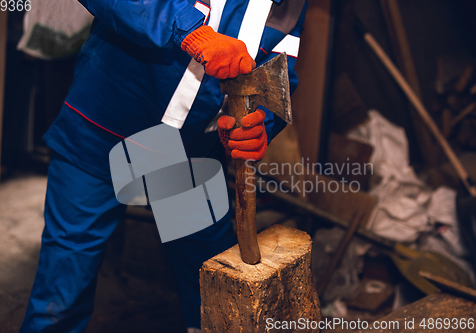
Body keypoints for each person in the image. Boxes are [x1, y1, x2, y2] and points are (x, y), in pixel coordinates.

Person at [20, 0, 307, 332]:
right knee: (62, 289)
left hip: (188, 151)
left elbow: (278, 67)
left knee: (212, 286)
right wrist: (189, 30)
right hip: (107, 127)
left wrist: (261, 125)